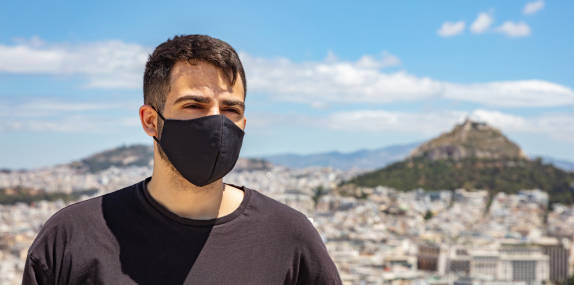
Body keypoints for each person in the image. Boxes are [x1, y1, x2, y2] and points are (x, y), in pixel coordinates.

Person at [22, 34, 342, 285]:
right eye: (194, 105)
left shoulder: (288, 236)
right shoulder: (72, 237)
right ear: (150, 120)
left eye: (231, 110)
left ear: (243, 125)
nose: (217, 123)